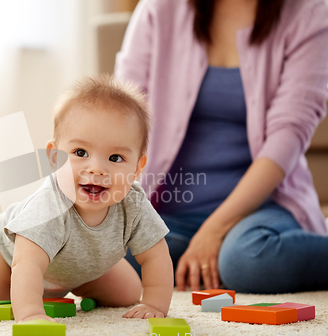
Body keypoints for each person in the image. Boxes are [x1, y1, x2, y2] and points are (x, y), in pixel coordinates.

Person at [116, 0, 328, 294]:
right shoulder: (159, 8)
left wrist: (214, 231)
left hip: (261, 209)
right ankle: (199, 257)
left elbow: (288, 136)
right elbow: (122, 115)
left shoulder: (310, 11)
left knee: (245, 262)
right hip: (168, 215)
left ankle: (220, 253)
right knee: (109, 259)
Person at [0, 75, 173, 322]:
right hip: (8, 257)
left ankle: (72, 286)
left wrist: (154, 304)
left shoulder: (133, 204)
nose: (96, 168)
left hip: (79, 267)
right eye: (80, 152)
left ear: (137, 167)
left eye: (115, 158)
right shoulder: (48, 207)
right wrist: (31, 314)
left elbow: (156, 256)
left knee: (127, 293)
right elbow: (27, 264)